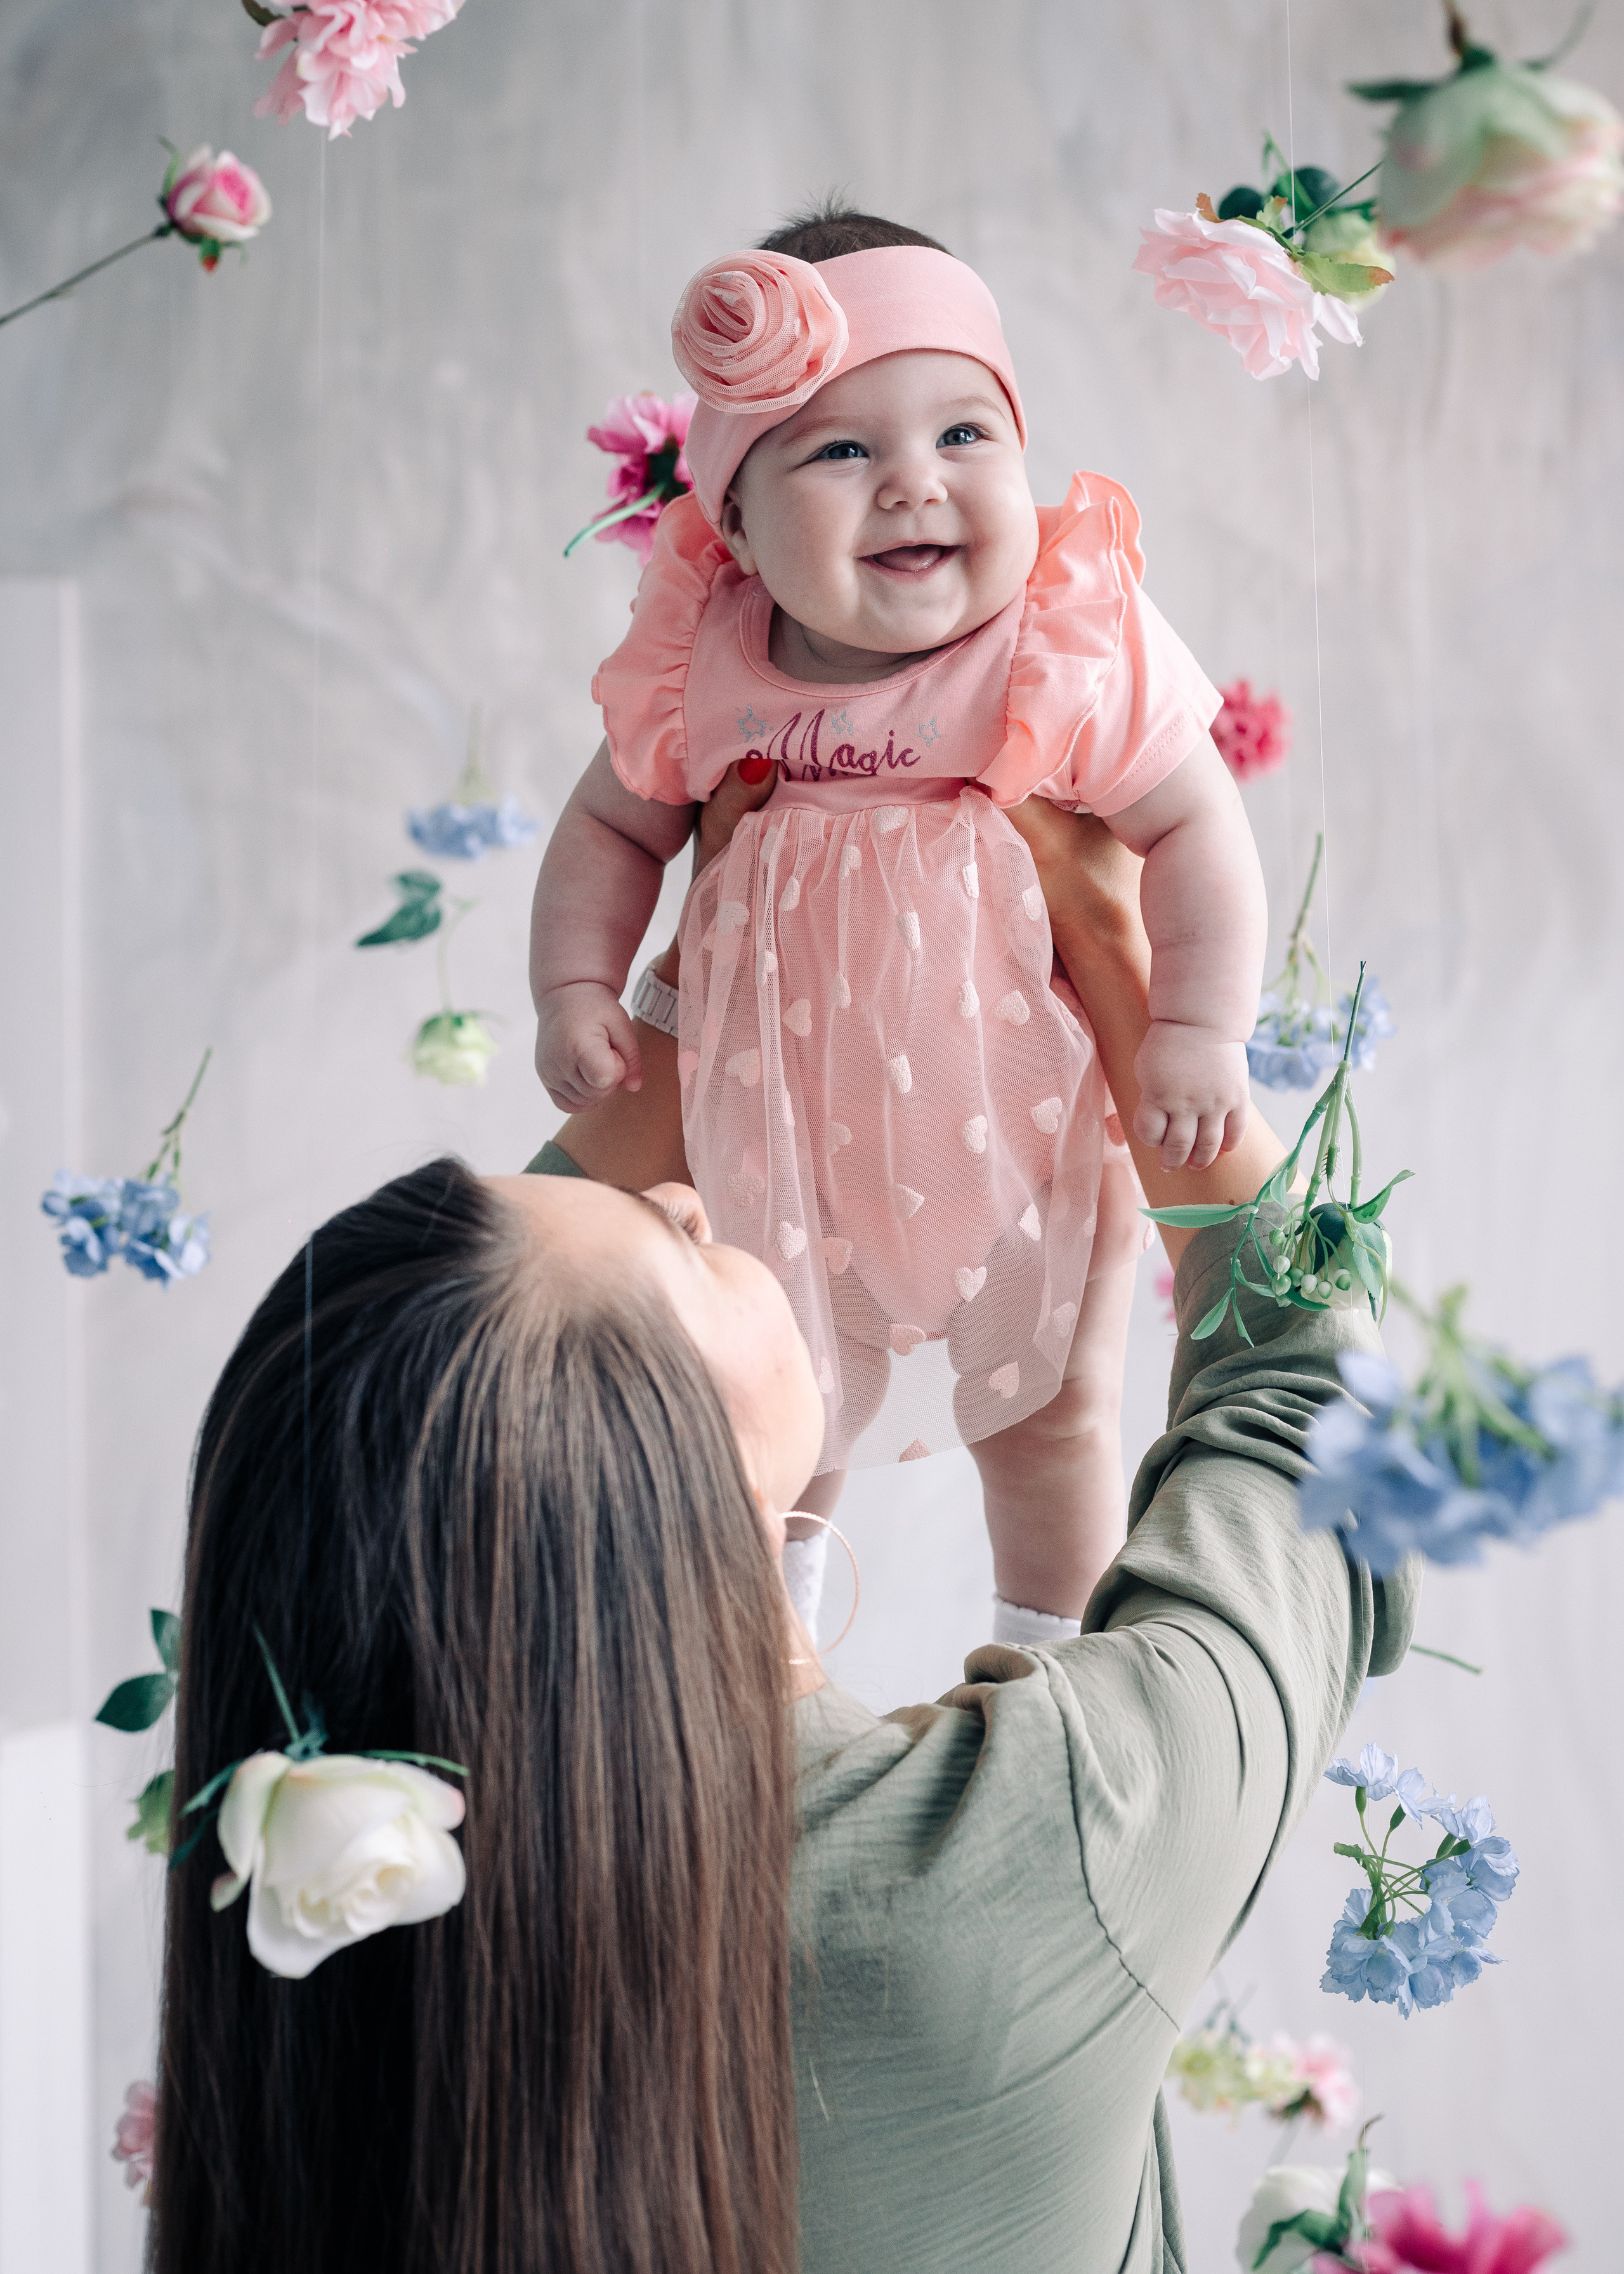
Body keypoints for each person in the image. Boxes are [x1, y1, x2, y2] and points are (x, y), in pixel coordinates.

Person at [152, 808, 1417, 2274]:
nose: (682, 1189)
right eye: (679, 1244)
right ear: (682, 1500)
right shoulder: (1036, 1858)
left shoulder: (354, 1933)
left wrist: (729, 950)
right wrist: (1115, 951)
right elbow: (1318, 1424)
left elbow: (502, 1373)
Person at [528, 204, 1267, 1636]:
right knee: (771, 1410)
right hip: (777, 1129)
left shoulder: (1054, 644)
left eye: (962, 434)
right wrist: (575, 986)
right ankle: (766, 1662)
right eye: (840, 451)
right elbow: (611, 828)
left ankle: (1047, 1675)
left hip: (1018, 1122)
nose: (913, 482)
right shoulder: (708, 661)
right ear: (737, 525)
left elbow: (1195, 827)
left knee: (1050, 1416)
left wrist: (1195, 1025)